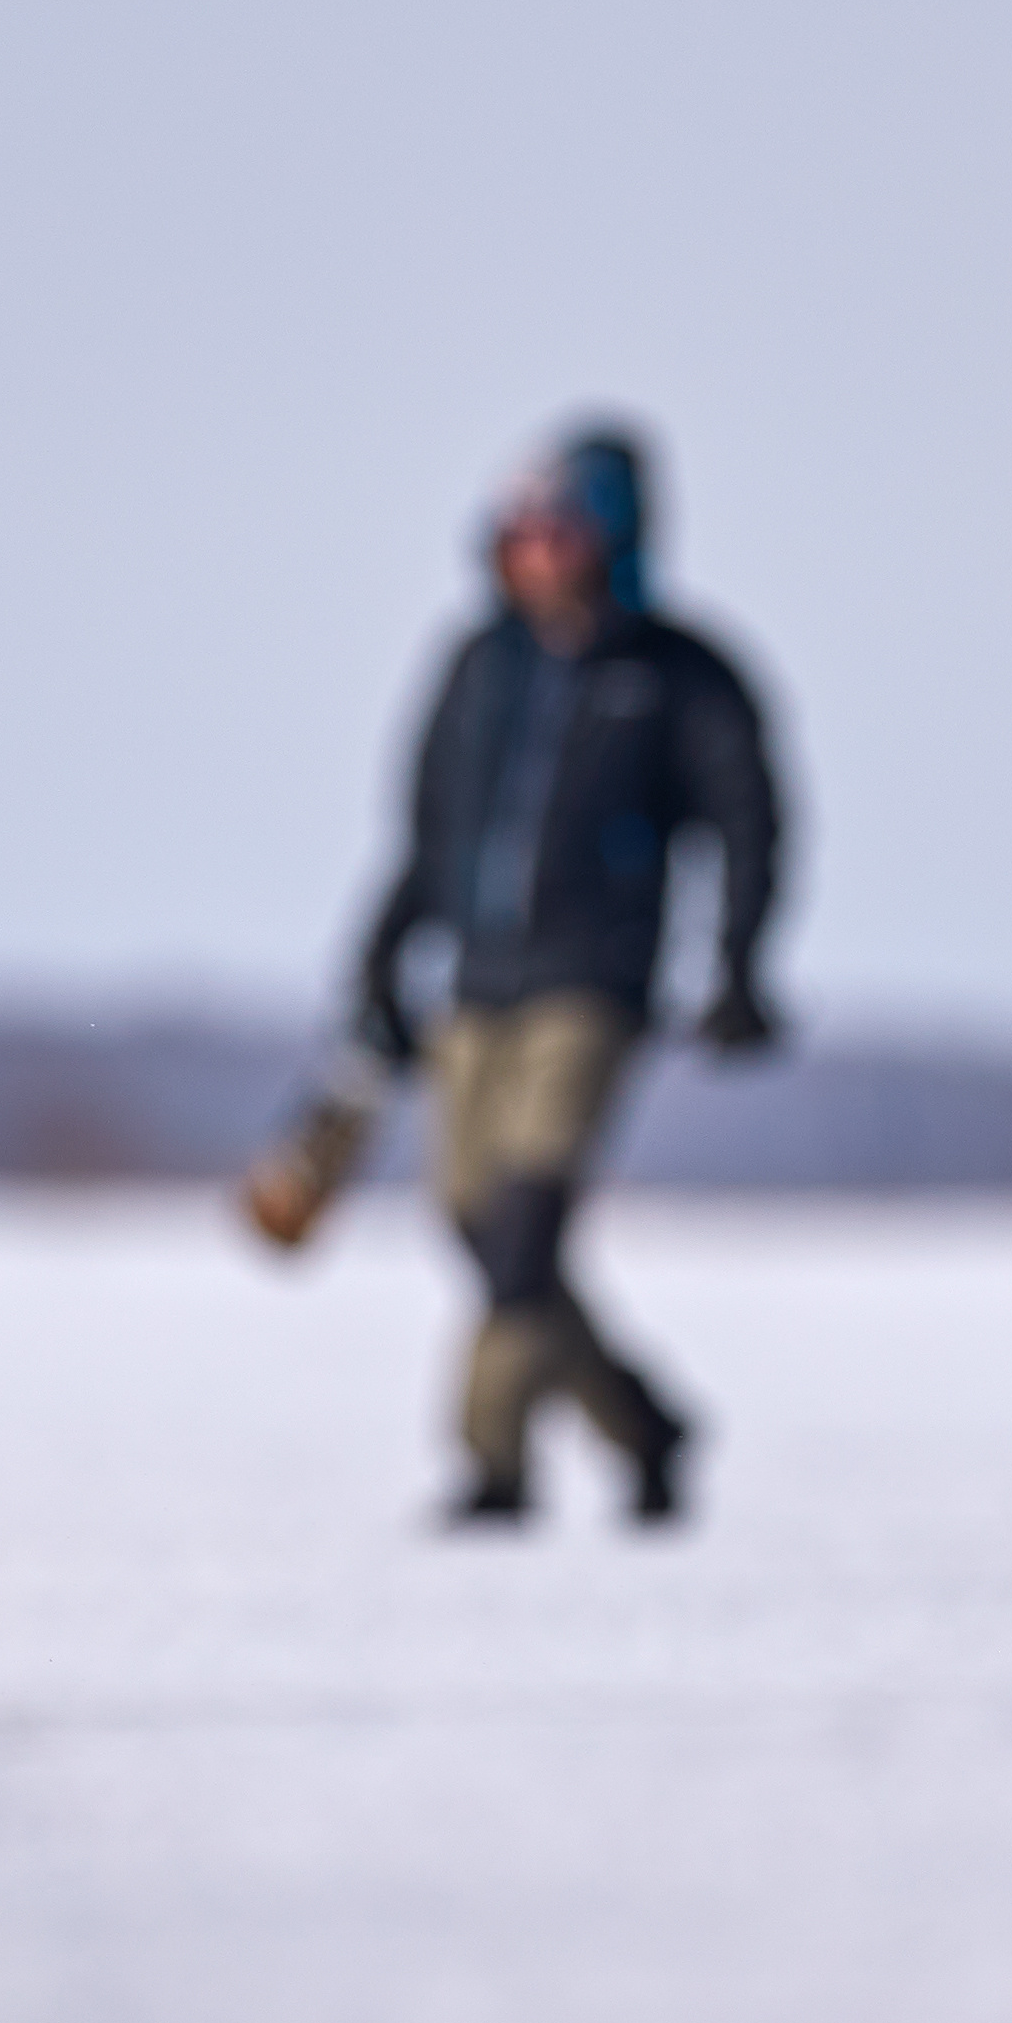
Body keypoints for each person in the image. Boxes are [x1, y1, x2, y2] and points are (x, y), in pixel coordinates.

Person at [351, 426, 787, 1527]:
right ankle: (640, 1421)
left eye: (561, 533)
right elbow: (428, 829)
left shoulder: (678, 675)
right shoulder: (478, 666)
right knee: (474, 1222)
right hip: (476, 979)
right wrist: (381, 957)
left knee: (528, 1214)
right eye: (524, 532)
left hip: (593, 982)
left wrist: (737, 965)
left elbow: (750, 823)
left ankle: (492, 1466)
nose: (539, 554)